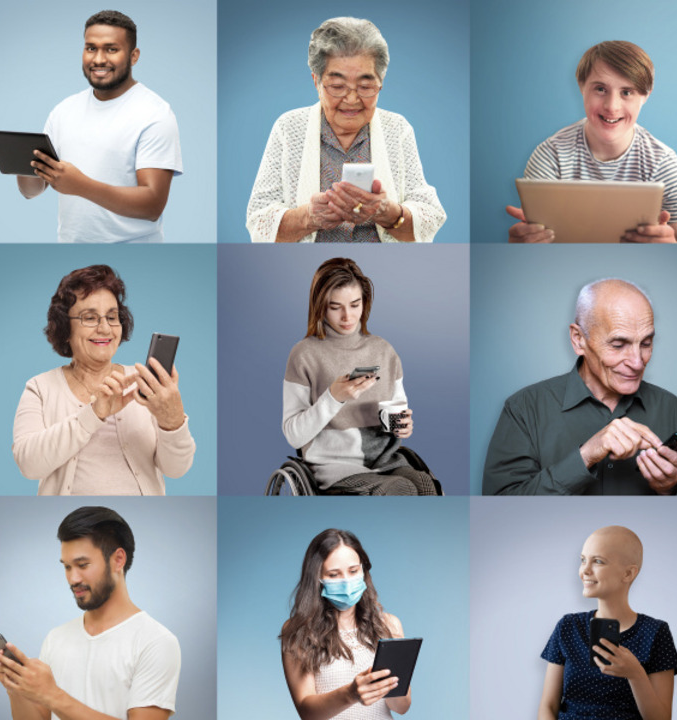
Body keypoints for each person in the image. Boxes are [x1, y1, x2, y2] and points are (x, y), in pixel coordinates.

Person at [482, 278, 677, 495]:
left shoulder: (671, 407)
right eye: (619, 344)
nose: (637, 362)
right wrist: (585, 456)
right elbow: (500, 508)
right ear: (578, 339)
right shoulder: (524, 409)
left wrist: (670, 488)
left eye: (646, 343)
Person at [247, 17, 445, 243]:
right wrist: (309, 217)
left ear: (380, 83)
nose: (351, 99)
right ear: (316, 81)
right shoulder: (289, 127)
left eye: (365, 86)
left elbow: (430, 215)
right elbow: (258, 218)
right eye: (338, 86)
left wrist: (388, 213)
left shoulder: (397, 129)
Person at [12, 265, 194, 495]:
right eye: (90, 318)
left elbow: (177, 469)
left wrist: (173, 420)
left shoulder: (145, 384)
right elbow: (29, 465)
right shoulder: (39, 388)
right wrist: (94, 414)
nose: (105, 328)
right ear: (66, 327)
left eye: (112, 316)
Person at [0, 506, 180, 720]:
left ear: (118, 560)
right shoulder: (56, 638)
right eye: (67, 567)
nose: (73, 579)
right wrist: (17, 687)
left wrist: (52, 695)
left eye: (82, 565)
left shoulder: (156, 642)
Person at [507, 41, 677, 243]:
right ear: (581, 87)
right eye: (600, 89)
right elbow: (536, 240)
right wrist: (523, 246)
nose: (612, 106)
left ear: (645, 95)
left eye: (627, 92)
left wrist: (672, 248)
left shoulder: (663, 162)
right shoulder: (550, 156)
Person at [17, 10, 182, 243]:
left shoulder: (155, 114)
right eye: (91, 48)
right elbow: (31, 191)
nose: (98, 59)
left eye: (111, 49)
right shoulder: (63, 110)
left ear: (134, 56)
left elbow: (152, 205)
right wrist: (20, 163)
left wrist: (81, 185)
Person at [282, 258, 432, 495]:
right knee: (401, 488)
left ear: (365, 302)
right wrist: (333, 397)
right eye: (335, 307)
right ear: (320, 305)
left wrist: (403, 426)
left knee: (425, 485)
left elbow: (398, 408)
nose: (347, 317)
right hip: (333, 466)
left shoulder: (384, 350)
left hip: (386, 462)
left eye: (355, 304)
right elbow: (293, 435)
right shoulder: (304, 354)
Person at [538, 526, 677, 720]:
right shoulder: (568, 626)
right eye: (582, 560)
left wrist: (635, 674)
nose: (585, 570)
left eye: (597, 561)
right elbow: (548, 706)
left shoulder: (655, 632)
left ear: (628, 574)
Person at [280, 528, 412, 719]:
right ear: (317, 579)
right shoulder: (297, 631)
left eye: (353, 571)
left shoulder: (389, 624)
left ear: (363, 570)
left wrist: (386, 685)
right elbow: (307, 713)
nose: (347, 582)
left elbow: (402, 707)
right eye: (334, 575)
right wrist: (351, 693)